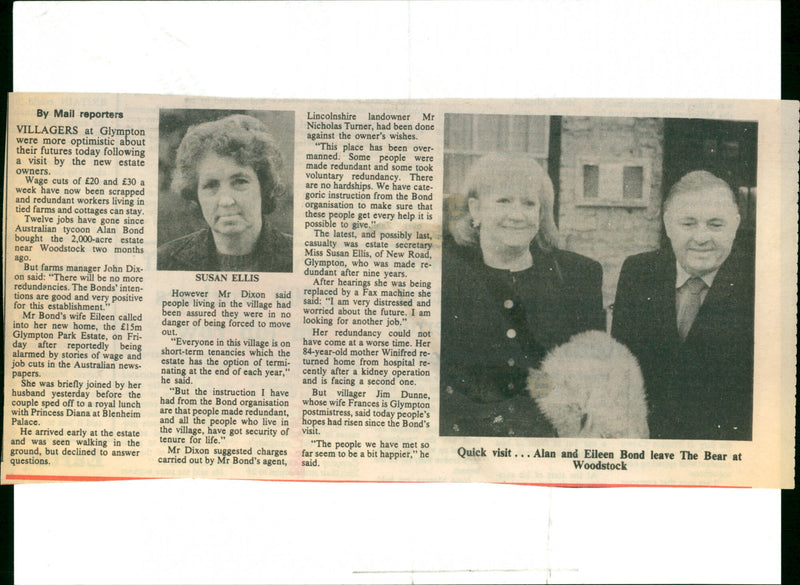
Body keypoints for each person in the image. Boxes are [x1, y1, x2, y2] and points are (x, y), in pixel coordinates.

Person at [440, 153, 605, 437]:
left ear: (541, 214)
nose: (517, 215)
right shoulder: (444, 274)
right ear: (475, 209)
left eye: (529, 203)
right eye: (503, 201)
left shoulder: (578, 276)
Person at [612, 170, 754, 440]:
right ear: (667, 225)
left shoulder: (759, 283)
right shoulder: (638, 272)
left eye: (715, 225)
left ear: (735, 225)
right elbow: (622, 370)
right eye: (688, 224)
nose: (701, 238)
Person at [158, 114, 292, 272]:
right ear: (196, 195)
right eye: (211, 185)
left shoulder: (299, 257)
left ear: (263, 187)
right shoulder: (165, 261)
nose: (226, 200)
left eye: (240, 182)